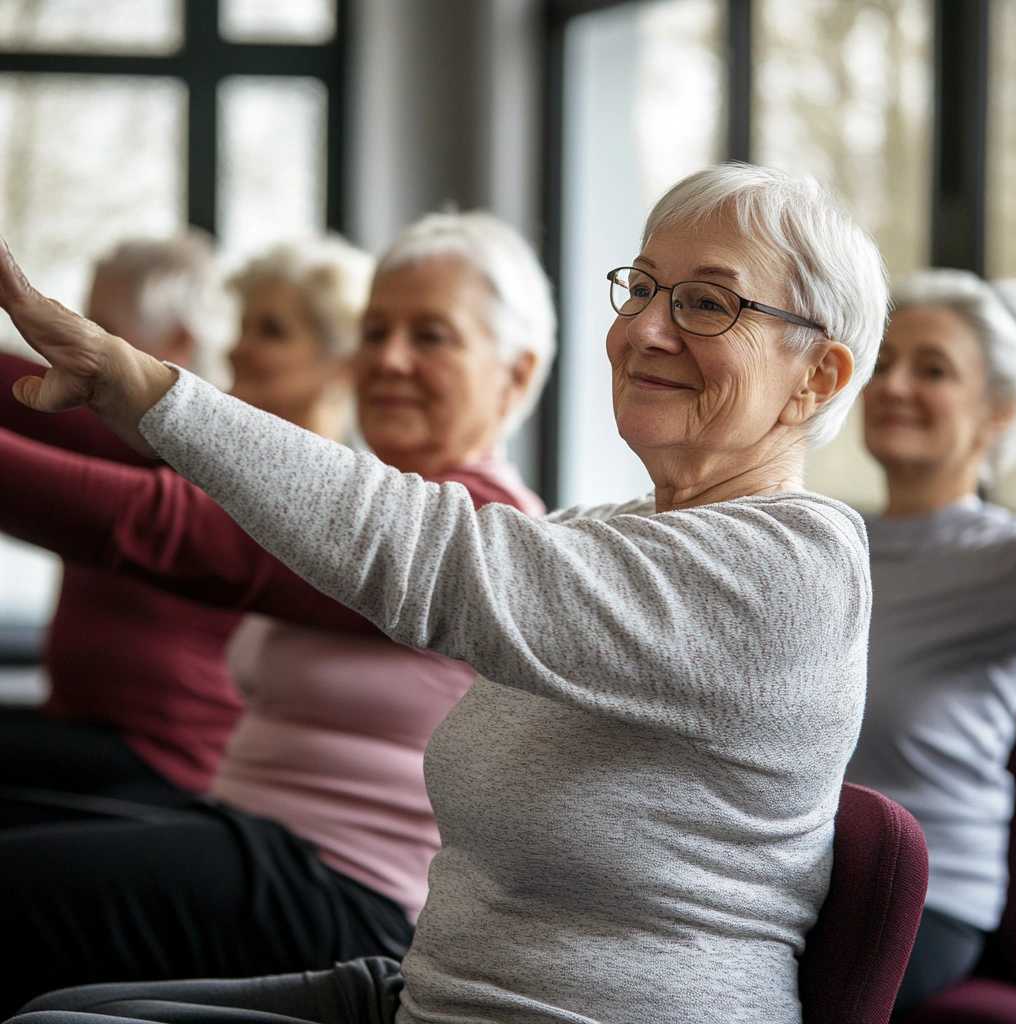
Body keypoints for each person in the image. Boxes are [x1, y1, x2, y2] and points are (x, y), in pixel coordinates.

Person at [1, 163, 886, 1024]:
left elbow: (428, 552)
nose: (646, 329)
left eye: (706, 302)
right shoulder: (596, 531)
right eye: (643, 288)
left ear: (818, 377)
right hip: (430, 991)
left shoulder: (795, 567)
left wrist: (152, 390)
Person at [0, 212, 549, 1012]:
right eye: (376, 330)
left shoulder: (478, 529)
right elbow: (122, 459)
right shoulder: (354, 488)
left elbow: (159, 524)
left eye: (431, 336)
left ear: (516, 375)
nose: (391, 358)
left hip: (347, 892)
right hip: (245, 832)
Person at [0, 232, 245, 814]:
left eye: (103, 329)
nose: (77, 347)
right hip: (87, 734)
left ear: (181, 341)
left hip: (159, 763)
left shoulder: (195, 452)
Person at [841, 268, 1016, 1012]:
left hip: (927, 900)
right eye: (882, 364)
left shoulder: (1004, 562)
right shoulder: (825, 541)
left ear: (997, 412)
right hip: (793, 869)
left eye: (934, 369)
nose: (896, 385)